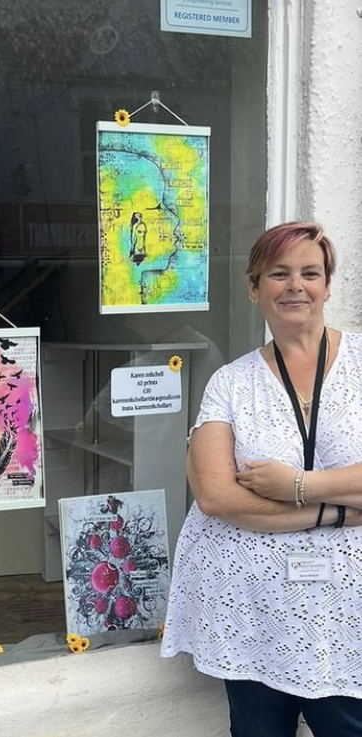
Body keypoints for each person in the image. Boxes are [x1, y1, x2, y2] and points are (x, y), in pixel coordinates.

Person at [161, 221, 362, 737]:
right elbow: (215, 495)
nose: (296, 286)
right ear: (254, 289)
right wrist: (338, 508)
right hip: (253, 610)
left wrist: (294, 486)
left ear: (328, 285)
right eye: (278, 274)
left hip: (349, 612)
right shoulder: (230, 383)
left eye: (310, 273)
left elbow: (251, 494)